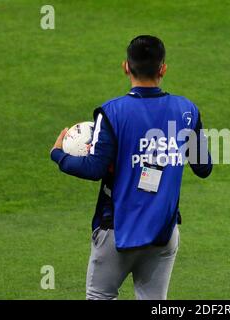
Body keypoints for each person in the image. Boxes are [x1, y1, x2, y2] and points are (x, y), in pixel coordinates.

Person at [50, 35, 212, 300]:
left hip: (117, 231)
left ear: (126, 66)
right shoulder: (187, 111)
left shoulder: (112, 112)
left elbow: (93, 168)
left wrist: (58, 155)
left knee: (100, 297)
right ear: (163, 68)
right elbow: (203, 167)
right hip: (163, 231)